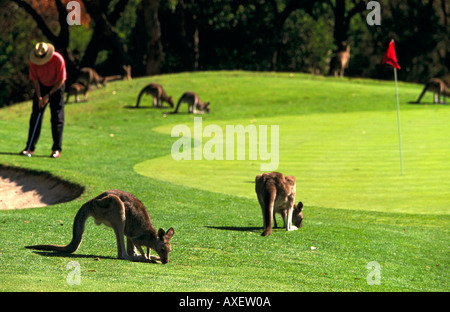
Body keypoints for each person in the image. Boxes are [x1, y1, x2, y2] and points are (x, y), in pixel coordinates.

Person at [21, 42, 66, 158]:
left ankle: (56, 149)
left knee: (56, 117)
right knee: (36, 116)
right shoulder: (34, 62)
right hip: (41, 87)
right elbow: (35, 80)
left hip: (57, 87)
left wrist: (49, 95)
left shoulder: (58, 59)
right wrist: (40, 96)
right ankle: (30, 148)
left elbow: (61, 79)